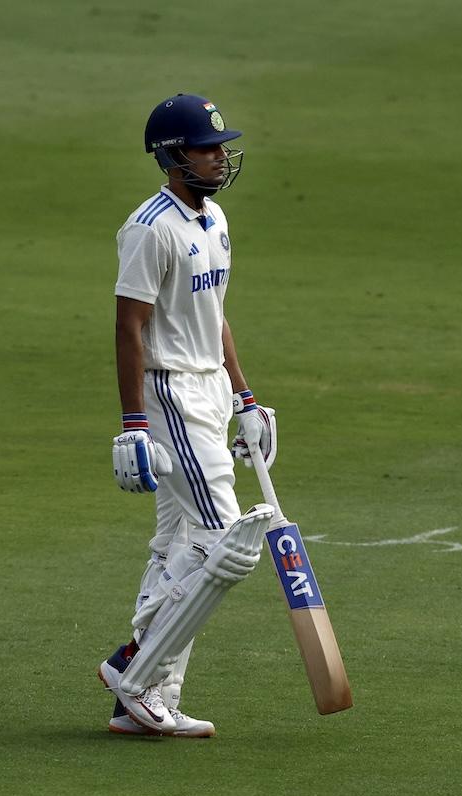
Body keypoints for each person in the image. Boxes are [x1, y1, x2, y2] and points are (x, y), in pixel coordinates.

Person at [97, 93, 278, 737]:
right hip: (169, 392)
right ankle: (136, 669)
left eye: (221, 145)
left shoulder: (215, 219)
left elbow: (215, 316)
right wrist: (134, 421)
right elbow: (128, 326)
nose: (219, 156)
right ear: (174, 157)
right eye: (206, 147)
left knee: (179, 542)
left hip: (207, 391)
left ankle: (144, 698)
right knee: (227, 544)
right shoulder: (150, 228)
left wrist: (244, 397)